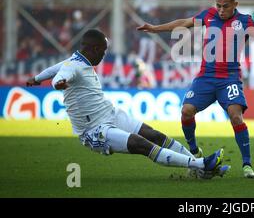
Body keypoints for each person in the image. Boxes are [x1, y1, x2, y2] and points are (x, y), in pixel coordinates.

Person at [137, 0, 254, 178]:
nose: (221, 10)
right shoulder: (209, 15)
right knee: (186, 111)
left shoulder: (245, 21)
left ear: (235, 4)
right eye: (219, 5)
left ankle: (247, 165)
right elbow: (184, 22)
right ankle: (195, 152)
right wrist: (156, 28)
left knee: (236, 116)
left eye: (226, 6)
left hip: (229, 79)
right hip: (206, 77)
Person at [26, 29, 228, 179]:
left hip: (110, 114)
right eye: (103, 51)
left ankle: (199, 170)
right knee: (140, 144)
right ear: (94, 48)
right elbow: (61, 75)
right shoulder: (73, 66)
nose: (104, 55)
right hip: (94, 129)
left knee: (153, 134)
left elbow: (55, 68)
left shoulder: (76, 60)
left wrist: (36, 78)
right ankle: (202, 164)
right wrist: (57, 84)